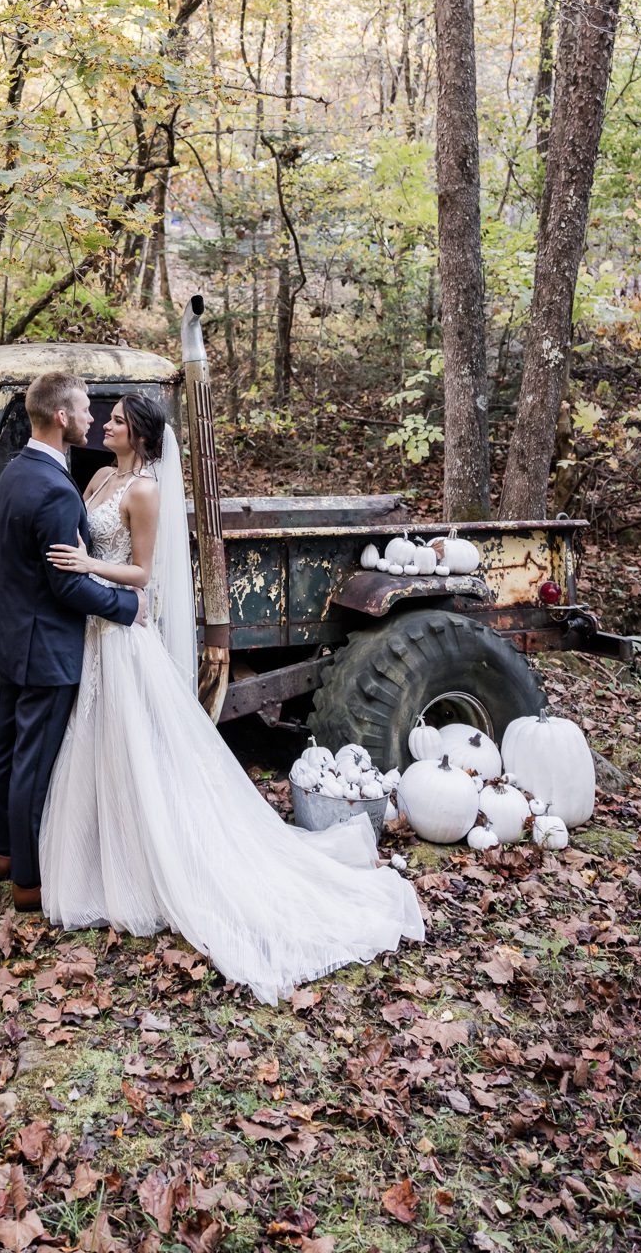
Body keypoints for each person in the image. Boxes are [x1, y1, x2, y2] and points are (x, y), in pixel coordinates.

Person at [39, 392, 426, 1002]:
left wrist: (88, 565)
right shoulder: (101, 478)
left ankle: (150, 867)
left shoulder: (144, 492)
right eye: (106, 416)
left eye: (115, 419)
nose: (105, 425)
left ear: (137, 434)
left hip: (119, 631)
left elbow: (142, 574)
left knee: (131, 745)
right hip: (92, 630)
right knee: (95, 746)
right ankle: (104, 866)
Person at [0, 370, 144, 911]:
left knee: (3, 750)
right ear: (61, 417)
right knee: (31, 760)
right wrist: (128, 606)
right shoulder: (53, 489)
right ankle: (28, 882)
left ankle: (4, 851)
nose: (93, 420)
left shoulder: (14, 472)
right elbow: (66, 582)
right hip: (46, 647)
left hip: (13, 636)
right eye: (84, 411)